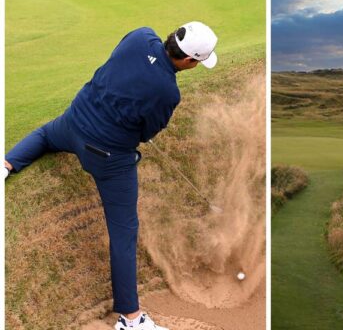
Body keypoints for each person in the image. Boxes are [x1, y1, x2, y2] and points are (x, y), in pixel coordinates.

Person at [4, 22, 219, 330]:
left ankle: (7, 164)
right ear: (189, 61)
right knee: (123, 234)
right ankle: (131, 319)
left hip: (72, 122)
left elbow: (122, 65)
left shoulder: (141, 36)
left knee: (44, 134)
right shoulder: (168, 92)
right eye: (198, 62)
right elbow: (146, 134)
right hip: (108, 158)